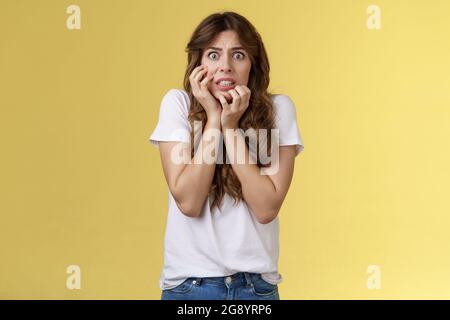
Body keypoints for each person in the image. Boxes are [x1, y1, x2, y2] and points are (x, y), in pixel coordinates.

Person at [149, 11, 304, 300]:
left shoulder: (278, 110)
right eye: (213, 55)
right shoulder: (177, 105)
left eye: (238, 55)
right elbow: (190, 202)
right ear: (198, 63)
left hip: (255, 289)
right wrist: (213, 119)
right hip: (190, 287)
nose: (225, 67)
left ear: (252, 64)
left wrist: (231, 128)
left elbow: (266, 208)